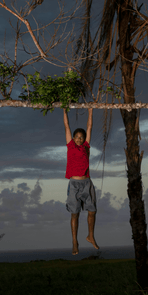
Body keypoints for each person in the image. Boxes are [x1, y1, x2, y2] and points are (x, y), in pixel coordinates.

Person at [63, 108, 99, 255]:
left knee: (92, 210)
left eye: (81, 137)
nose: (79, 139)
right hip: (74, 185)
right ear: (73, 138)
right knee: (75, 214)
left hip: (87, 183)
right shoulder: (70, 145)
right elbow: (67, 126)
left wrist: (90, 112)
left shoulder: (86, 147)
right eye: (76, 137)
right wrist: (64, 111)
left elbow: (89, 127)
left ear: (84, 139)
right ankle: (74, 241)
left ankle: (90, 235)